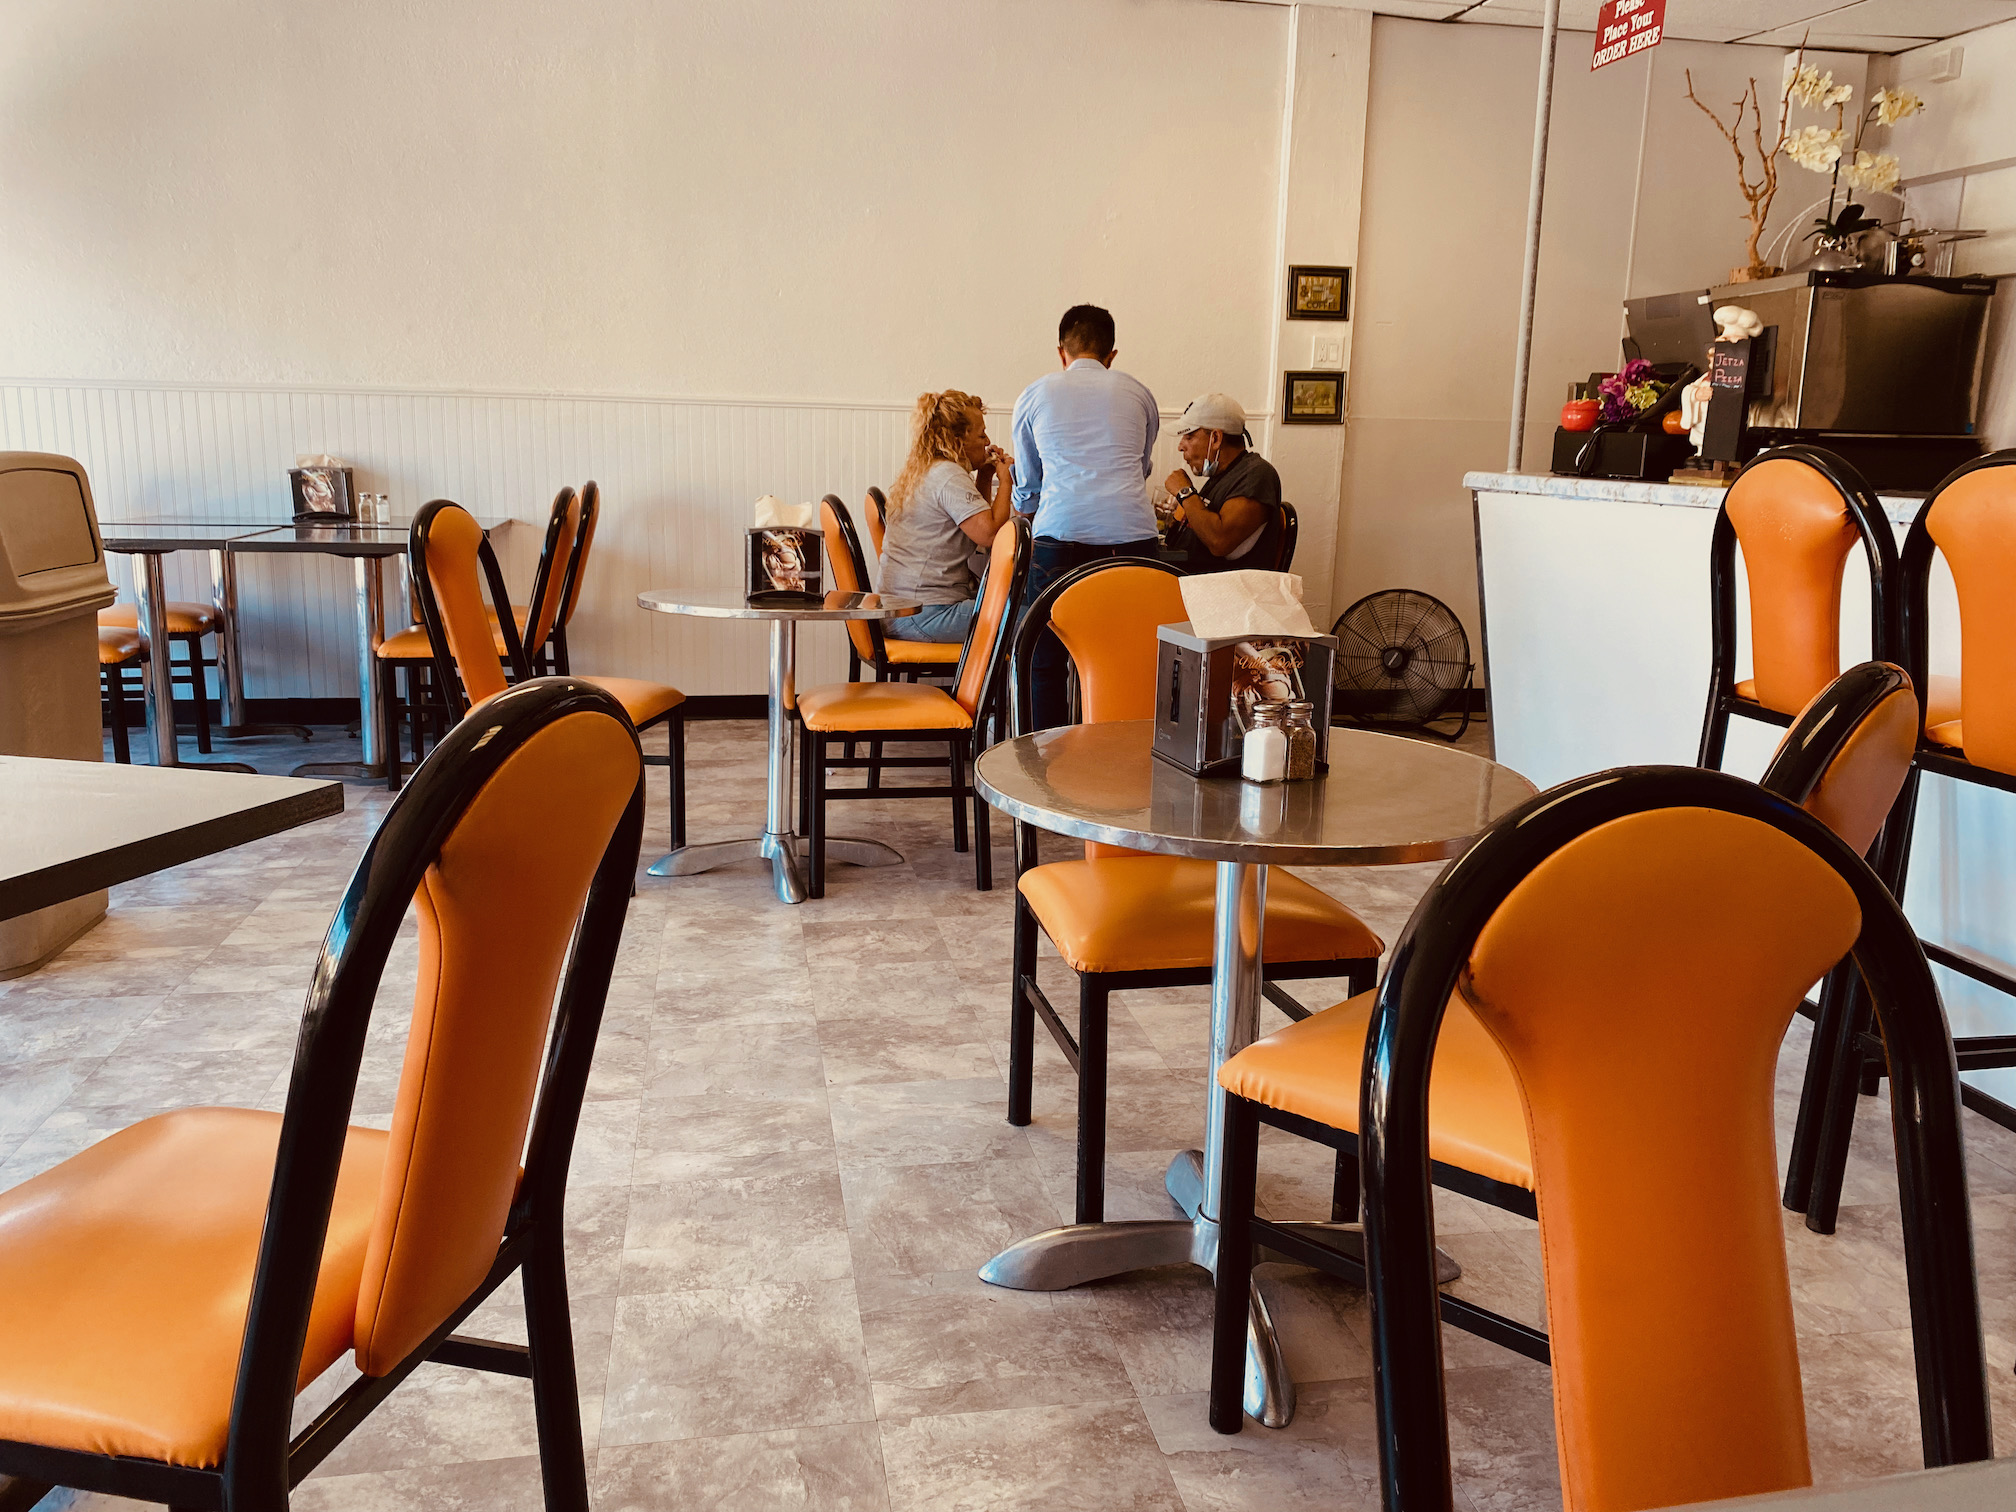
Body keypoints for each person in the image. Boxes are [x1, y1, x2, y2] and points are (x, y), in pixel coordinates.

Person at [1010, 304, 1161, 728]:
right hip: (1134, 538)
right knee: (1131, 655)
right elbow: (1140, 468)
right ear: (1112, 355)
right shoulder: (1139, 393)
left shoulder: (1035, 394)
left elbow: (1028, 486)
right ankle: (1123, 751)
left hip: (1060, 537)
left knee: (1045, 657)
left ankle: (1046, 755)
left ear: (1062, 352)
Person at [880, 389, 1013, 642]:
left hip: (903, 611)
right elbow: (989, 535)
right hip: (926, 614)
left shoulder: (929, 469)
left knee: (1021, 613)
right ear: (957, 439)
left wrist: (985, 476)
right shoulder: (949, 476)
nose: (987, 441)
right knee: (1035, 620)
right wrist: (1006, 481)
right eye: (981, 434)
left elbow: (975, 526)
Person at [1160, 393, 1284, 574]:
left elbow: (1219, 541)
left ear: (1216, 438)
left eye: (1189, 437)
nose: (1180, 446)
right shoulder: (1222, 476)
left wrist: (1185, 492)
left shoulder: (1257, 475)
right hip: (1186, 580)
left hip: (1216, 588)